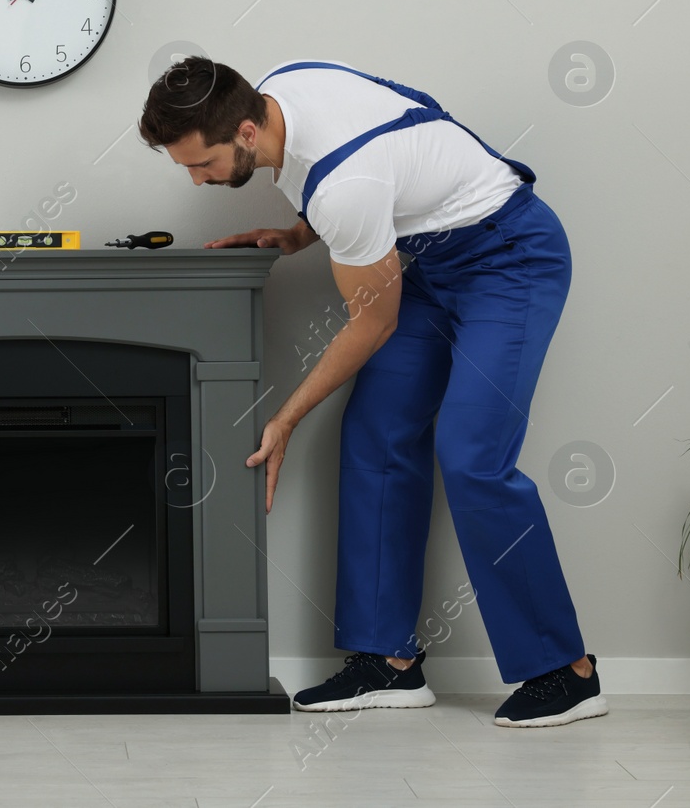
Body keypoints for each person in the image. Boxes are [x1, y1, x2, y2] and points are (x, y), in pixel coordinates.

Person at [136, 56, 606, 729]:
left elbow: (375, 320)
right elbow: (410, 115)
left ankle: (568, 671)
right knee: (377, 431)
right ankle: (389, 661)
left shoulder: (344, 185)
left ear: (244, 131)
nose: (196, 180)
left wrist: (287, 418)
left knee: (471, 454)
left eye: (200, 163)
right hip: (433, 261)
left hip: (512, 259)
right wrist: (298, 234)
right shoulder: (283, 87)